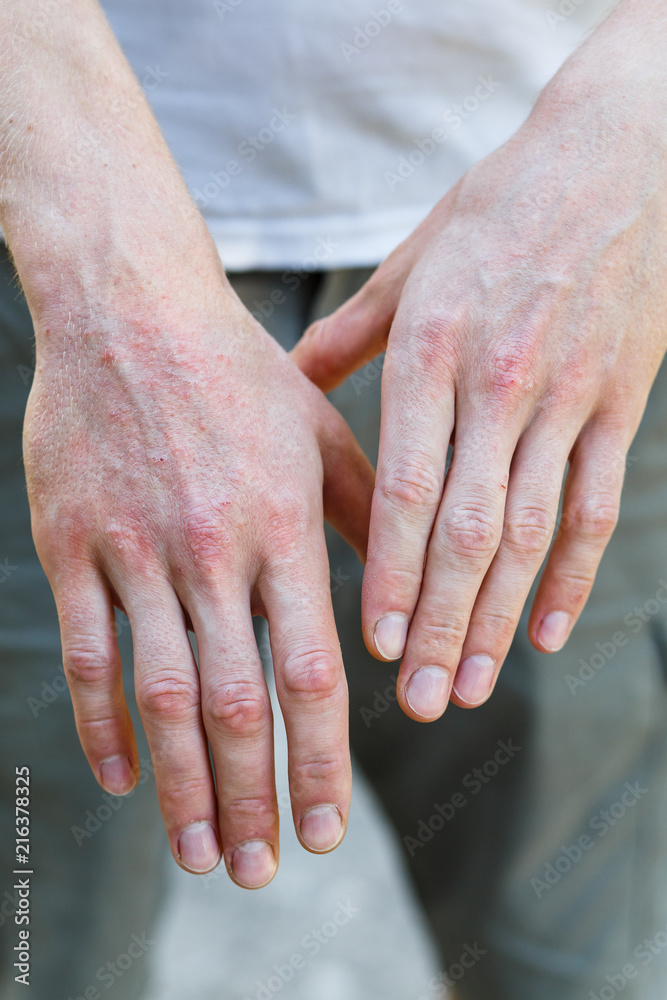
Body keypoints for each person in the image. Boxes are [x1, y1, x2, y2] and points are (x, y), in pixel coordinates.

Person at [2, 0, 667, 997]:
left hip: (576, 238)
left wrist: (646, 120)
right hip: (58, 211)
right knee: (37, 936)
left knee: (573, 954)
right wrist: (93, 258)